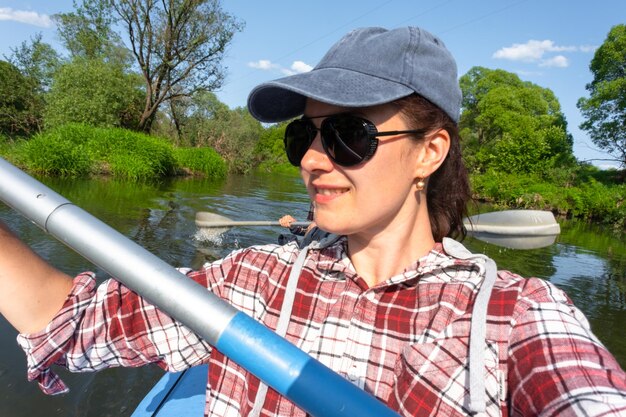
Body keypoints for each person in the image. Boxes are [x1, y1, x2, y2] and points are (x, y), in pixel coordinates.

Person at [1, 26, 625, 417]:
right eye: (304, 135)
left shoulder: (517, 316)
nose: (314, 160)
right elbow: (66, 319)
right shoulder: (254, 280)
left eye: (350, 135)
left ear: (429, 152)